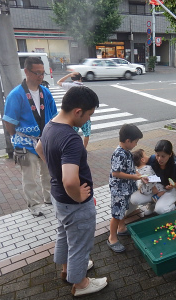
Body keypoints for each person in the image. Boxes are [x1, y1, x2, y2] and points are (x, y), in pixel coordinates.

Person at [35, 85, 108, 297]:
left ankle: (67, 270)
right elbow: (69, 181)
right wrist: (79, 196)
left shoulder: (50, 126)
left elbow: (40, 149)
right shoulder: (71, 138)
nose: (88, 120)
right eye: (89, 115)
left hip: (58, 199)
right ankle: (81, 283)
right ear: (78, 111)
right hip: (74, 203)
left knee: (64, 234)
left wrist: (56, 171)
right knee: (80, 244)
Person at [3, 56, 57, 216]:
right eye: (37, 73)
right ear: (26, 71)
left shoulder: (45, 92)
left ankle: (49, 198)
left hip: (45, 140)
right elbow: (9, 122)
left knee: (48, 172)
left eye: (43, 73)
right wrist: (15, 138)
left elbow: (54, 116)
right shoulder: (16, 95)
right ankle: (34, 205)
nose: (40, 76)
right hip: (26, 142)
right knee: (30, 177)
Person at [108, 124, 144, 253]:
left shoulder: (127, 152)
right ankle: (112, 238)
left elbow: (128, 169)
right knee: (117, 214)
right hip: (119, 189)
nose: (135, 144)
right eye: (135, 142)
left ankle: (121, 228)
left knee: (123, 209)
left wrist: (137, 175)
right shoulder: (119, 154)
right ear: (128, 141)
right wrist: (134, 177)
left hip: (126, 188)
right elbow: (116, 173)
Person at [130, 140, 176, 215]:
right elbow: (138, 167)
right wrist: (142, 178)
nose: (159, 159)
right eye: (157, 155)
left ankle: (173, 205)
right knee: (134, 199)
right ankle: (152, 204)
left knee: (160, 210)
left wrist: (173, 185)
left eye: (163, 156)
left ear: (170, 154)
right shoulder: (152, 159)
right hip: (155, 187)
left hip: (169, 190)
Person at [57, 72, 91, 148]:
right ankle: (84, 149)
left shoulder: (69, 86)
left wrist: (69, 74)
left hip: (73, 115)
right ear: (81, 78)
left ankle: (71, 147)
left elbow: (59, 82)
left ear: (72, 79)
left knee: (72, 133)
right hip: (84, 113)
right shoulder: (85, 88)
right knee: (86, 133)